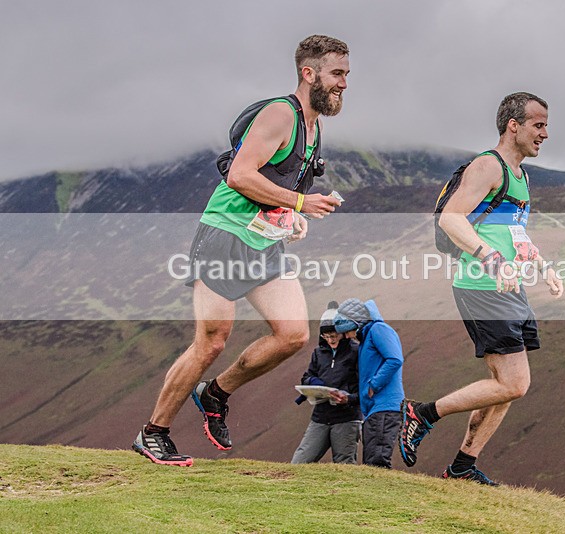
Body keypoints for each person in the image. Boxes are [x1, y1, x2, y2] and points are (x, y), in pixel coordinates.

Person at [132, 35, 350, 466]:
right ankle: (152, 433)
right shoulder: (279, 114)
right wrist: (301, 203)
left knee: (292, 335)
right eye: (337, 74)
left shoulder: (314, 125)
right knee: (211, 343)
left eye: (346, 74)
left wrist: (291, 217)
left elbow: (278, 187)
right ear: (309, 74)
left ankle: (215, 393)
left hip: (263, 241)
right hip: (224, 235)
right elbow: (239, 176)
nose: (344, 83)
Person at [398, 92, 564, 485]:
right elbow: (451, 221)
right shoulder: (487, 166)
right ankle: (423, 413)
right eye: (538, 125)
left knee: (503, 387)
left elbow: (514, 232)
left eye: (546, 126)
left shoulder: (521, 176)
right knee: (515, 383)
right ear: (514, 125)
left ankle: (462, 467)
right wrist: (490, 258)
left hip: (509, 286)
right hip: (481, 284)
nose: (545, 134)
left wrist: (542, 266)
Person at [334, 298, 404, 468]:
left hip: (385, 407)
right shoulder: (367, 338)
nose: (346, 336)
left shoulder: (378, 329)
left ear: (357, 323)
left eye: (347, 331)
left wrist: (374, 385)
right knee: (371, 463)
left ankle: (384, 494)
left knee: (377, 462)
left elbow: (395, 359)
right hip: (375, 410)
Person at [291, 301, 361, 464]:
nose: (330, 340)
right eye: (326, 336)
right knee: (299, 462)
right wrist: (314, 382)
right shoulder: (318, 353)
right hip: (320, 416)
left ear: (343, 332)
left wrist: (348, 398)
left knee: (345, 465)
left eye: (334, 335)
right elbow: (307, 376)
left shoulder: (356, 351)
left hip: (347, 418)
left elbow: (365, 387)